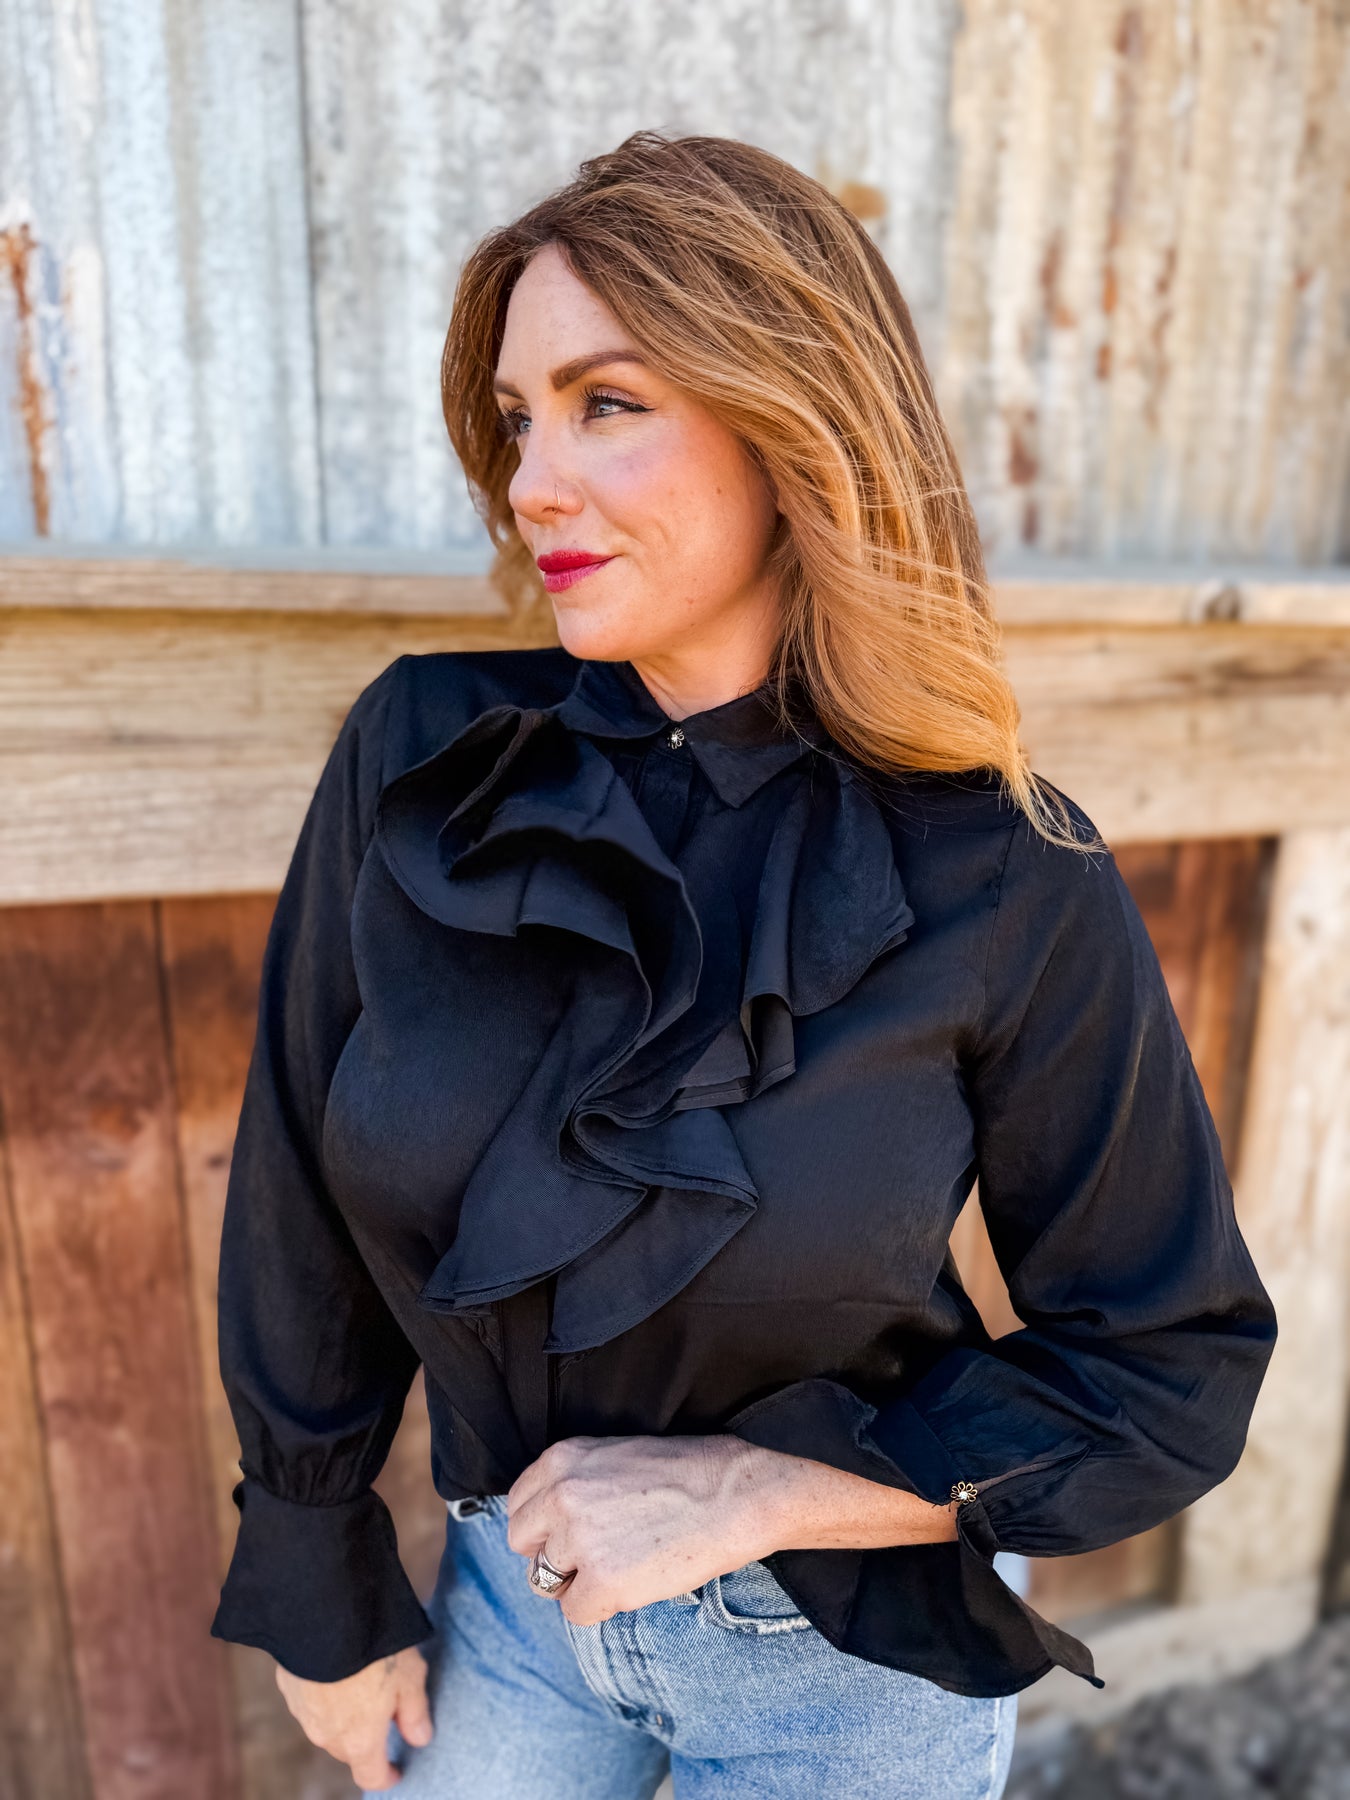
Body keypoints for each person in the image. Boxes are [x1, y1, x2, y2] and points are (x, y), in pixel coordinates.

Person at [209, 132, 1277, 1798]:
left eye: (606, 403)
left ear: (793, 425)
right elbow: (294, 1180)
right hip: (514, 1606)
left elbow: (1169, 1363)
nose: (531, 481)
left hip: (842, 1673)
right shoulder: (428, 760)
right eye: (517, 417)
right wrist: (315, 1574)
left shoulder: (1002, 872)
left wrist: (746, 1490)